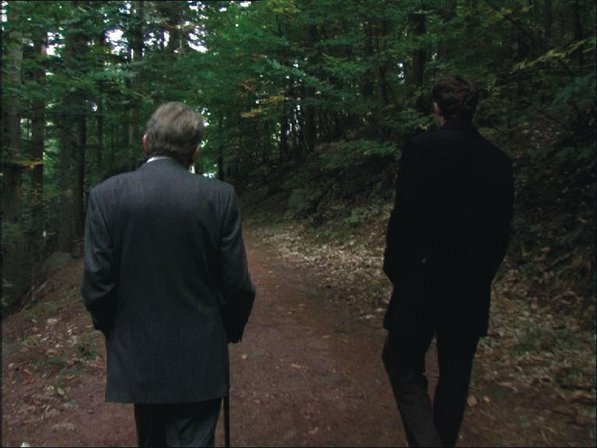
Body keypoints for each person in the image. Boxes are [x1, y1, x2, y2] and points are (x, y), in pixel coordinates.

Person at [81, 101, 255, 447]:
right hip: (200, 355)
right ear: (194, 150)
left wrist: (116, 331)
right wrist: (228, 329)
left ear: (146, 142)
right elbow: (236, 285)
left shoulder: (106, 196)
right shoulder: (218, 197)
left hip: (138, 355)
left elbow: (97, 284)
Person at [381, 75, 514, 447]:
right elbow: (501, 232)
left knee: (401, 361)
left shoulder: (421, 148)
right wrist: (482, 275)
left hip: (421, 278)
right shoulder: (498, 160)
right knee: (455, 373)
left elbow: (404, 217)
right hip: (470, 284)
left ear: (436, 108)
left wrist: (397, 269)